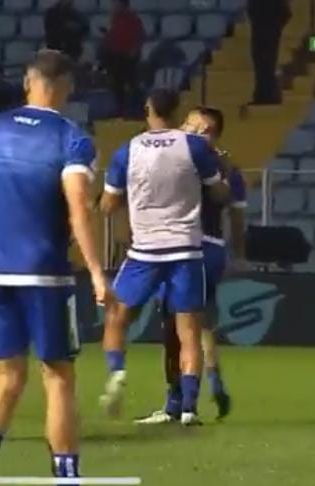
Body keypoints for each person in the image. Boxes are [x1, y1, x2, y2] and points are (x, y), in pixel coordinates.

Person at [0, 49, 108, 480]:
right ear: (66, 87)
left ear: (28, 82)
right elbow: (79, 209)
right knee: (58, 375)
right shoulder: (71, 138)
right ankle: (66, 474)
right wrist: (98, 273)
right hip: (45, 274)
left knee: (6, 377)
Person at [97, 89, 230, 425]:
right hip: (186, 248)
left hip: (145, 250)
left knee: (118, 316)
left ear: (147, 109)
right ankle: (188, 408)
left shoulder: (128, 150)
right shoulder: (195, 147)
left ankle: (117, 371)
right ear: (177, 113)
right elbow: (218, 193)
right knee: (189, 332)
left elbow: (108, 206)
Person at [133, 106, 247, 425]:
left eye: (204, 129)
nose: (195, 133)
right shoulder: (220, 166)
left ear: (215, 135)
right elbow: (236, 216)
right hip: (202, 250)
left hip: (191, 249)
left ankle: (180, 405)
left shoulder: (198, 164)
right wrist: (236, 254)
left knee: (178, 327)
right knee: (197, 323)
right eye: (191, 126)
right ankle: (204, 391)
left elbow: (232, 211)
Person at [99, 0, 144, 116]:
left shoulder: (132, 19)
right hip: (115, 56)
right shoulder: (114, 19)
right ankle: (120, 111)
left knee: (131, 84)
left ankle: (137, 110)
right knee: (116, 85)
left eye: (115, 3)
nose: (113, 6)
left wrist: (134, 50)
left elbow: (139, 36)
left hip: (128, 57)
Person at [247, 0, 291, 104]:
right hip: (264, 12)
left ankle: (267, 93)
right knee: (262, 55)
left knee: (265, 55)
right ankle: (265, 92)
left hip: (268, 12)